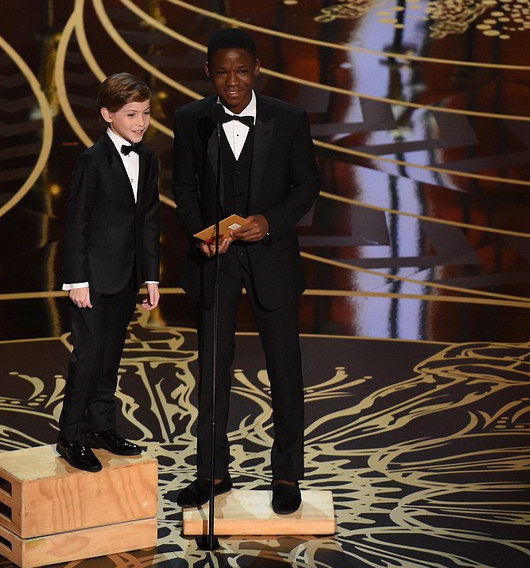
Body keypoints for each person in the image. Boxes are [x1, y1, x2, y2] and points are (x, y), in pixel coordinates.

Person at [172, 29, 321, 514]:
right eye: (222, 72)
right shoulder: (191, 119)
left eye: (240, 71)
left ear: (257, 69)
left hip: (272, 259)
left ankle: (286, 475)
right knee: (212, 373)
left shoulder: (289, 118)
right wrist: (200, 233)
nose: (232, 82)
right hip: (214, 262)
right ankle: (212, 473)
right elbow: (184, 188)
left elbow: (306, 185)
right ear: (208, 73)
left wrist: (269, 222)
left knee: (284, 370)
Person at [57, 72, 160, 473]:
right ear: (108, 115)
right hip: (93, 278)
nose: (141, 122)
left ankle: (102, 426)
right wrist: (77, 280)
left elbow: (148, 221)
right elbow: (77, 223)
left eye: (145, 113)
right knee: (88, 357)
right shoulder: (92, 160)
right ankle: (71, 434)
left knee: (111, 355)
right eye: (131, 114)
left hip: (126, 276)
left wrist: (150, 276)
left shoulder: (147, 158)